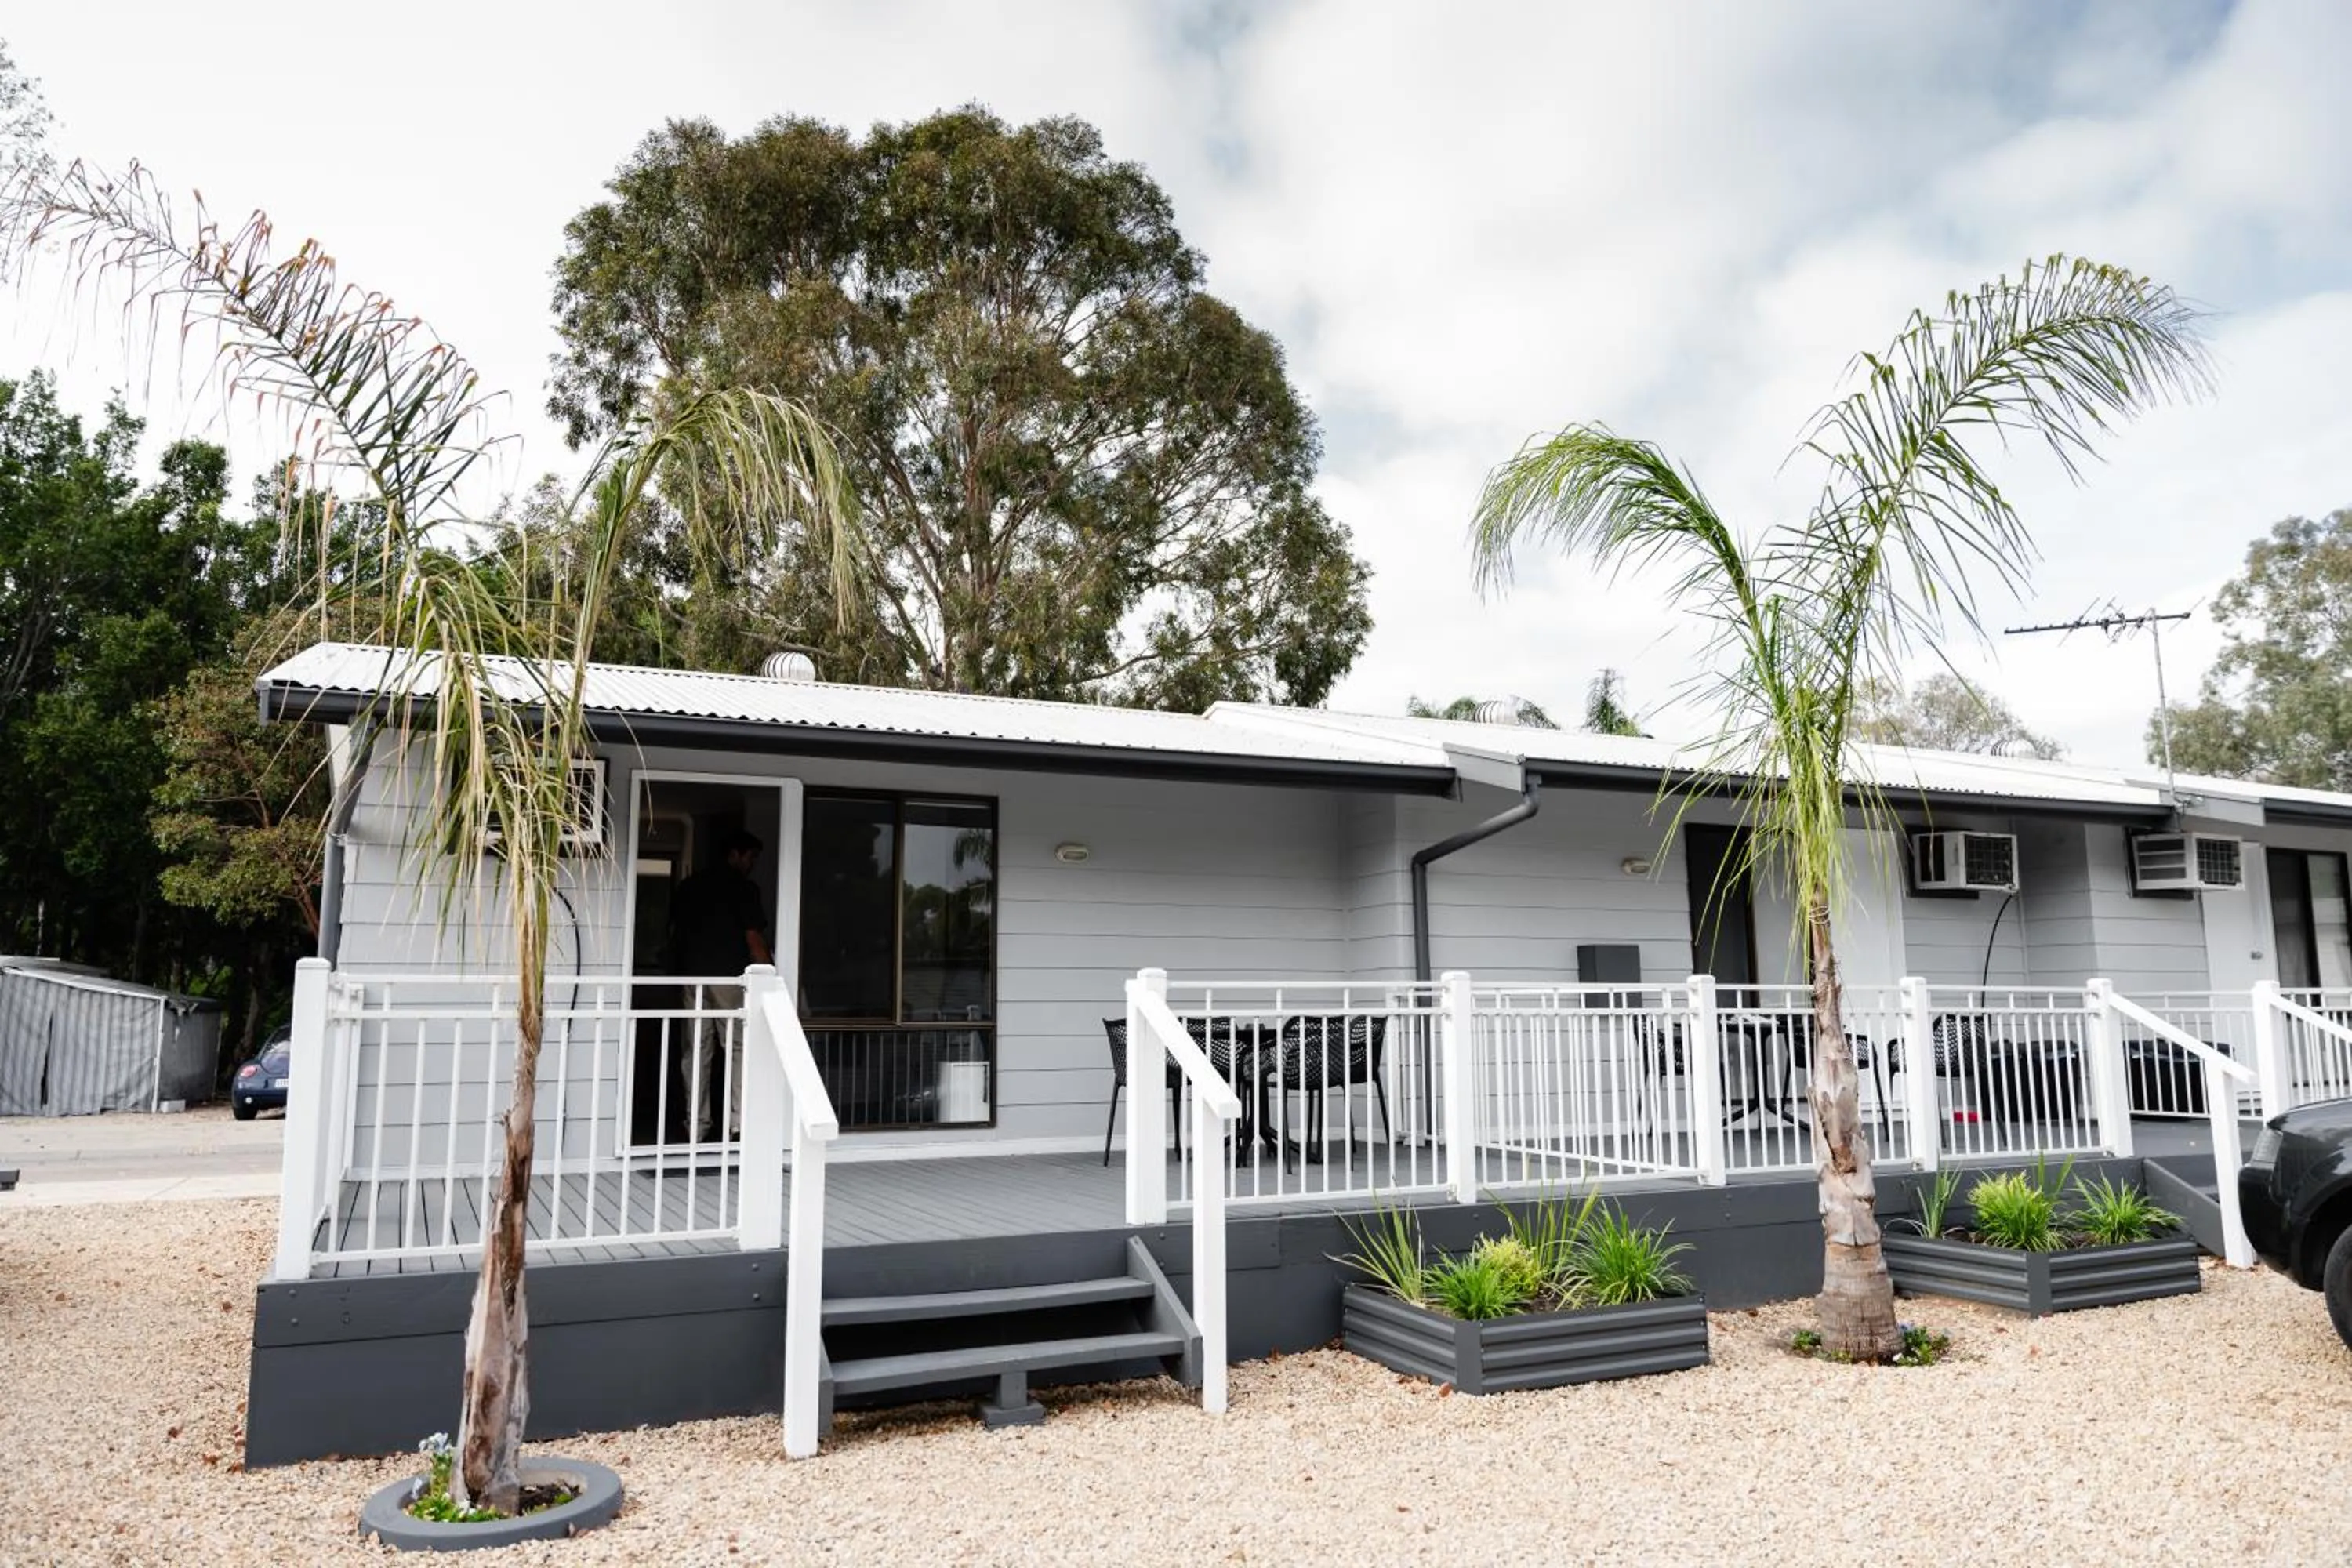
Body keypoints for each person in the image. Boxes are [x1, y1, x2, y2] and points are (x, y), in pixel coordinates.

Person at [665, 829, 771, 1142]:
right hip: (727, 978)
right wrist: (772, 979)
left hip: (692, 978)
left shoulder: (688, 887)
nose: (752, 864)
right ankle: (739, 1123)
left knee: (696, 1051)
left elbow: (674, 932)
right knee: (738, 1048)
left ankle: (695, 1124)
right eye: (750, 856)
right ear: (735, 854)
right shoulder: (743, 888)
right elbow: (754, 938)